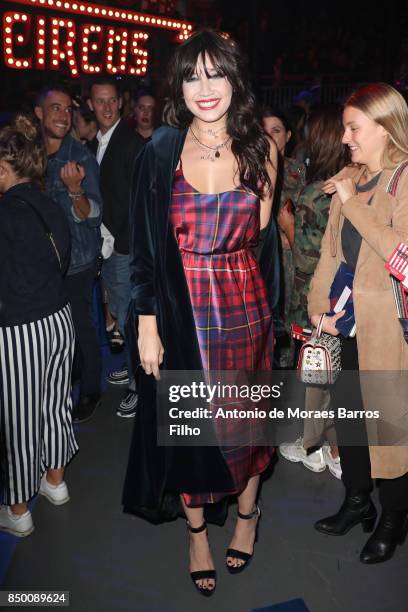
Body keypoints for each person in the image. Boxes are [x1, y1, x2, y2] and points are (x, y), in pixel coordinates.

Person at [123, 29, 279, 595]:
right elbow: (141, 247)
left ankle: (246, 516)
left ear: (236, 80)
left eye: (216, 73)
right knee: (189, 428)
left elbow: (262, 239)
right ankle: (196, 533)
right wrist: (146, 323)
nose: (205, 87)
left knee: (248, 423)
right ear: (178, 86)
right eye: (192, 75)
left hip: (244, 308)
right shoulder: (159, 150)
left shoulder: (264, 147)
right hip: (181, 310)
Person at [308, 83, 408, 564]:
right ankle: (356, 502)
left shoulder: (403, 180)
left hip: (388, 332)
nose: (345, 137)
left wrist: (352, 204)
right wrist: (314, 307)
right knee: (348, 421)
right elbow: (330, 253)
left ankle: (393, 520)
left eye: (354, 127)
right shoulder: (348, 177)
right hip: (345, 326)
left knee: (389, 430)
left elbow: (401, 254)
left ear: (386, 129)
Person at [0, 116, 77, 537]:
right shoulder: (49, 201)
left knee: (19, 418)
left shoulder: (7, 213)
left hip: (19, 327)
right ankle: (55, 482)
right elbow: (63, 259)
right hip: (58, 317)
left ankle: (17, 510)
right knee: (54, 405)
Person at [280, 104, 350, 479]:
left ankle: (320, 449)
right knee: (333, 373)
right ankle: (332, 450)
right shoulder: (351, 186)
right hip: (347, 299)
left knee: (316, 374)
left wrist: (287, 226)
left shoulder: (314, 195)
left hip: (315, 300)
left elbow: (306, 261)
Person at [35, 85, 103, 424]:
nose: (62, 115)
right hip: (39, 261)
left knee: (79, 325)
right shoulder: (27, 155)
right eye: (55, 108)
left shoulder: (80, 157)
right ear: (39, 114)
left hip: (77, 259)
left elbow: (94, 214)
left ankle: (91, 388)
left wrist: (76, 191)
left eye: (66, 109)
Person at [88, 76, 145, 418]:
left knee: (129, 316)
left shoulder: (129, 142)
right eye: (100, 101)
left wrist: (117, 245)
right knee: (122, 314)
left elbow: (133, 202)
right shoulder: (98, 140)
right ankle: (131, 364)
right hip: (111, 246)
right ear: (91, 105)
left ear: (120, 103)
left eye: (112, 100)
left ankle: (141, 384)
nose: (107, 107)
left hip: (123, 247)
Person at [262, 107, 305, 367]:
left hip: (291, 265)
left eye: (275, 131)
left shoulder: (298, 173)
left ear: (288, 136)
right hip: (260, 262)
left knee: (289, 332)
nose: (269, 137)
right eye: (263, 131)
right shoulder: (244, 168)